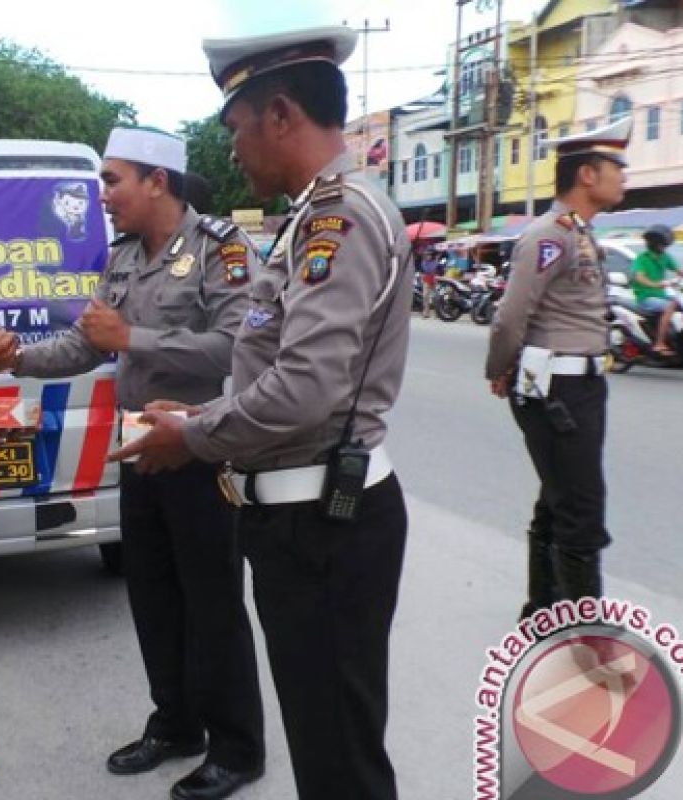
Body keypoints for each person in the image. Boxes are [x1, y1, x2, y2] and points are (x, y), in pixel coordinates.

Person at [109, 27, 413, 800]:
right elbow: (277, 370)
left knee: (339, 759)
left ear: (280, 114)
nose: (235, 150)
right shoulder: (313, 216)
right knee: (327, 746)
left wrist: (196, 434)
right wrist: (206, 409)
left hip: (324, 525)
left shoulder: (334, 220)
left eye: (237, 127)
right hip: (304, 518)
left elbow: (307, 387)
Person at [0, 126, 265, 800]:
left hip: (199, 448)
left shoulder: (221, 249)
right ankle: (176, 725)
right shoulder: (124, 254)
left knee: (213, 603)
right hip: (138, 449)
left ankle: (238, 748)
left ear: (157, 180)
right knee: (154, 598)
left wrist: (133, 336)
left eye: (113, 180)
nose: (103, 195)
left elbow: (236, 347)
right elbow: (85, 344)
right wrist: (15, 357)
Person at [485, 118, 631, 619]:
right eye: (617, 167)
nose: (623, 177)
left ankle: (542, 614)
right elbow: (510, 316)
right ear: (587, 175)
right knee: (581, 508)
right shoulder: (549, 235)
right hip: (558, 388)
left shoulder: (581, 234)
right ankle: (585, 635)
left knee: (558, 500)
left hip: (580, 386)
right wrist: (499, 368)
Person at [629, 223, 683, 355]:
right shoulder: (642, 259)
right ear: (655, 243)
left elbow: (680, 271)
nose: (664, 247)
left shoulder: (665, 257)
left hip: (661, 295)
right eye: (662, 244)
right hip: (646, 297)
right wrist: (655, 284)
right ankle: (659, 343)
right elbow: (639, 277)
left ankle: (677, 339)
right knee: (672, 306)